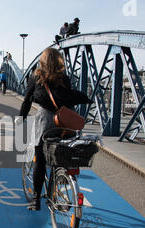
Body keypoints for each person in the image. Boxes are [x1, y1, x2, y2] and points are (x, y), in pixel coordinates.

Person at [16, 47, 91, 211]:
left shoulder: (37, 77)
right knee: (60, 152)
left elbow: (27, 100)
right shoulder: (64, 78)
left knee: (40, 160)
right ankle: (61, 179)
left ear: (42, 61)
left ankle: (36, 199)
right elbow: (68, 99)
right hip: (65, 121)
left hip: (45, 121)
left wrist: (20, 118)